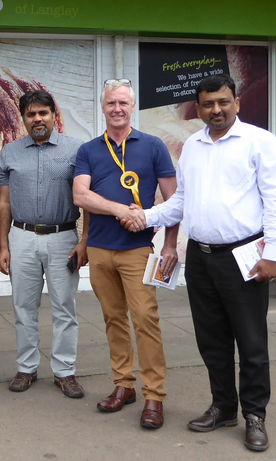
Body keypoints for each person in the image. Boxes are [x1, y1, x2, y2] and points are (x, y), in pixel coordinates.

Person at [121, 74, 276, 450]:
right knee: (211, 340)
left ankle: (255, 415)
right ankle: (223, 406)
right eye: (208, 104)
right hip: (200, 256)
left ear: (236, 103)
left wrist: (274, 254)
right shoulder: (193, 146)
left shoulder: (259, 142)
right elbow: (182, 201)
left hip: (244, 257)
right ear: (198, 108)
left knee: (251, 342)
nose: (216, 110)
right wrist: (146, 217)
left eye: (223, 102)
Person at [72, 78, 178, 429]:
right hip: (101, 251)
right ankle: (123, 385)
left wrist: (170, 244)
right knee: (113, 319)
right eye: (110, 103)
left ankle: (154, 395)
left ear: (132, 106)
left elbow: (175, 201)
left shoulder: (153, 146)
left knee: (146, 320)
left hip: (138, 251)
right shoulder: (88, 149)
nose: (117, 109)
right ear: (102, 108)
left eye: (123, 103)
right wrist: (119, 212)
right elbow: (81, 197)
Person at [0, 90, 88, 398]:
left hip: (63, 237)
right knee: (23, 307)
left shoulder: (77, 151)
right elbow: (3, 202)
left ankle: (64, 371)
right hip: (21, 236)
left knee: (65, 307)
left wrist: (85, 240)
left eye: (43, 113)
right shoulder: (8, 153)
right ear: (23, 118)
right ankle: (27, 368)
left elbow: (87, 201)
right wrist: (3, 245)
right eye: (31, 114)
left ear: (54, 115)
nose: (37, 119)